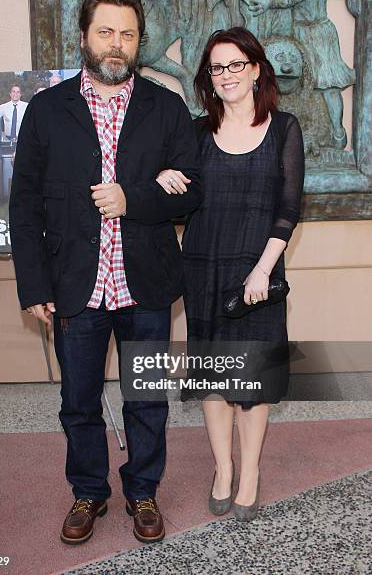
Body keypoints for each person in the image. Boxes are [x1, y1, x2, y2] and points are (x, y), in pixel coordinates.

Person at [9, 0, 202, 545]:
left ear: (139, 42)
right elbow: (24, 205)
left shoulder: (165, 108)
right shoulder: (48, 110)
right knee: (78, 401)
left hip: (144, 289)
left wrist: (134, 198)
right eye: (106, 32)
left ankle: (143, 490)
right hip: (75, 287)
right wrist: (33, 285)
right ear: (85, 37)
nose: (116, 45)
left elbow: (188, 190)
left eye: (128, 34)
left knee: (146, 398)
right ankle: (88, 490)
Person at [156, 27, 304, 521]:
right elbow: (170, 179)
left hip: (257, 273)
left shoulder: (285, 129)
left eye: (235, 64)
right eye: (217, 68)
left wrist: (264, 267)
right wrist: (162, 175)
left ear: (257, 68)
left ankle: (252, 472)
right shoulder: (196, 132)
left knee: (253, 385)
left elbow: (288, 208)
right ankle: (222, 468)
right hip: (203, 266)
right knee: (214, 381)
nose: (226, 76)